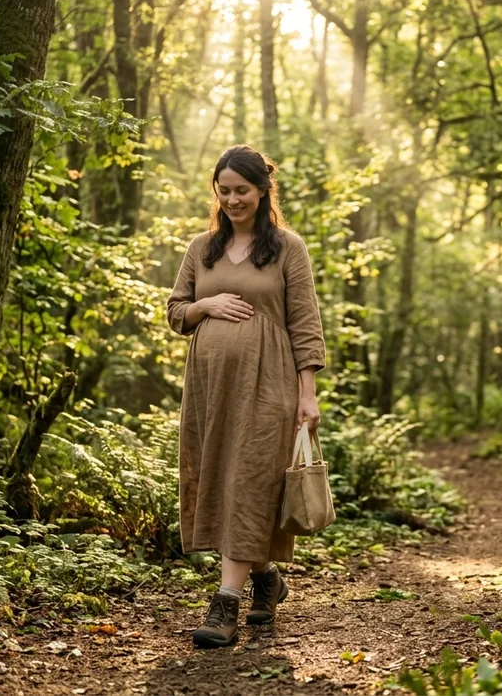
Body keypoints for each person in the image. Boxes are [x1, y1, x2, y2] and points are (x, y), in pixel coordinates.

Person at [165, 145, 327, 648]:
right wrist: (205, 304)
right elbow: (175, 312)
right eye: (225, 190)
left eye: (243, 190)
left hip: (269, 383)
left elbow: (305, 323)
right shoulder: (202, 248)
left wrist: (308, 395)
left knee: (251, 478)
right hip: (210, 391)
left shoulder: (286, 248)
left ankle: (225, 604)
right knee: (224, 478)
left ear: (262, 192)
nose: (233, 199)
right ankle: (266, 579)